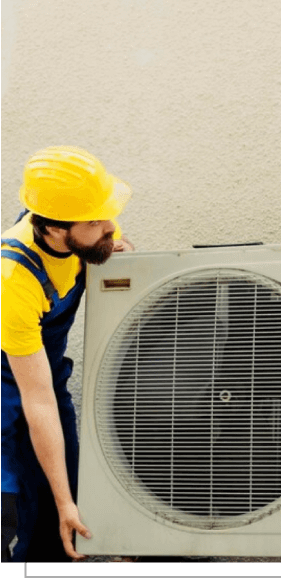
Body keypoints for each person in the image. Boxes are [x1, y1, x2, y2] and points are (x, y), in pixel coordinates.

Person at [1, 145, 133, 563]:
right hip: (8, 397)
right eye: (97, 220)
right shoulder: (14, 278)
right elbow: (34, 402)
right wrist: (63, 503)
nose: (110, 225)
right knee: (17, 515)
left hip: (46, 381)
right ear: (57, 230)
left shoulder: (83, 222)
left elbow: (46, 397)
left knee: (67, 519)